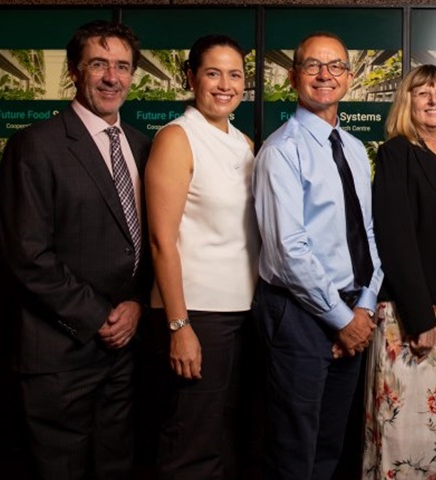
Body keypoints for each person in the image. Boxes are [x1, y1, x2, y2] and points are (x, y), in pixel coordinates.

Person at [0, 20, 150, 479]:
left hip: (124, 350)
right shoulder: (35, 146)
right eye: (98, 64)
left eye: (122, 66)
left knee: (116, 467)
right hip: (59, 354)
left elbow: (151, 241)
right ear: (74, 71)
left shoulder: (143, 147)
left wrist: (137, 304)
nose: (111, 77)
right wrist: (99, 316)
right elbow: (29, 256)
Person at [252, 31, 383, 480]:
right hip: (297, 313)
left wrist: (364, 306)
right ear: (293, 77)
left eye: (336, 67)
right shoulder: (280, 151)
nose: (325, 75)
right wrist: (343, 320)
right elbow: (289, 252)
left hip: (350, 307)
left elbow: (367, 232)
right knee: (293, 449)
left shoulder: (351, 146)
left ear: (348, 77)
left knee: (330, 445)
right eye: (312, 66)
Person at [145, 35, 258, 479]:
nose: (225, 84)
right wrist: (179, 326)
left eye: (235, 75)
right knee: (192, 441)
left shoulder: (243, 142)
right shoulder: (177, 138)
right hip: (198, 313)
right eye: (213, 73)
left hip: (241, 311)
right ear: (191, 77)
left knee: (224, 434)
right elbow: (160, 241)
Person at [364, 64, 436, 479]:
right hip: (414, 314)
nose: (432, 100)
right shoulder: (396, 153)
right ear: (407, 101)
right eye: (422, 92)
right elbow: (395, 239)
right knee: (408, 436)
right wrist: (421, 317)